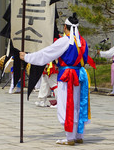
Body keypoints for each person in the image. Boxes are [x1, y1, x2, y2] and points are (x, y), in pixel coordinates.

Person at [20, 14, 92, 146]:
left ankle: (70, 137)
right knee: (78, 105)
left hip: (67, 76)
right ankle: (78, 135)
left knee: (66, 105)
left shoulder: (65, 41)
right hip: (80, 75)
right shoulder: (82, 41)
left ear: (65, 27)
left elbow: (46, 54)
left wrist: (27, 57)